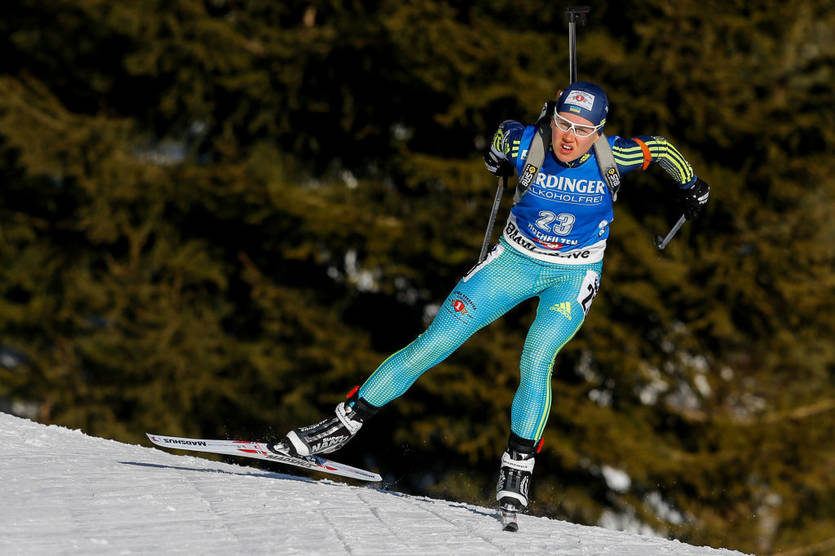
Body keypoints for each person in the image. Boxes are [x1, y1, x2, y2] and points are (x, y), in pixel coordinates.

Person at [272, 81, 710, 514]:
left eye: (582, 130)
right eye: (562, 124)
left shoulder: (614, 155)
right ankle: (337, 428)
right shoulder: (529, 144)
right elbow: (503, 133)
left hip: (574, 273)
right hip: (513, 261)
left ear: (598, 132)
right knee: (435, 342)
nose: (569, 137)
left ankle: (517, 467)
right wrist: (498, 157)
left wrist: (691, 185)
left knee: (537, 356)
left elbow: (661, 149)